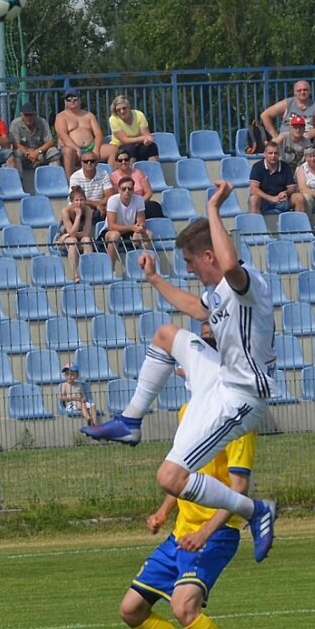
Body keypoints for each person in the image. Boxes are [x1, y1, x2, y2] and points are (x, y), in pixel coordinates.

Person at [80, 180, 277, 563]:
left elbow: (231, 264)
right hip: (219, 377)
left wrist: (214, 210)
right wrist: (155, 280)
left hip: (242, 395)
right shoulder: (219, 293)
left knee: (170, 478)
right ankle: (130, 421)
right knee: (166, 335)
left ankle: (256, 511)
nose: (188, 270)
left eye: (190, 262)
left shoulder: (245, 284)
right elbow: (197, 308)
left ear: (209, 255)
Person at [119, 410, 256, 629]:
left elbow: (239, 490)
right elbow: (182, 473)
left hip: (215, 535)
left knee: (184, 607)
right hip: (182, 535)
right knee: (132, 610)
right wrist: (164, 512)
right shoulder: (189, 410)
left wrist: (205, 532)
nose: (178, 363)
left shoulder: (239, 419)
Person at [54, 87, 116, 178]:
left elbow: (98, 134)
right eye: (69, 99)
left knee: (113, 149)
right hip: (72, 149)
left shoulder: (88, 115)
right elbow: (63, 135)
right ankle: (71, 184)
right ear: (65, 102)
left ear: (80, 100)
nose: (72, 101)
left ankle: (111, 179)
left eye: (75, 98)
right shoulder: (61, 116)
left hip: (90, 148)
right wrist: (76, 148)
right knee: (68, 151)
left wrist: (96, 148)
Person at [103, 176, 154, 269]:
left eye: (130, 188)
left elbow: (141, 220)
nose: (127, 191)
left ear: (133, 189)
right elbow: (111, 226)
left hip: (129, 231)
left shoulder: (138, 199)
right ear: (119, 190)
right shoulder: (113, 200)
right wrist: (132, 227)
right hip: (110, 232)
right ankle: (110, 269)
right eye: (124, 188)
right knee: (115, 235)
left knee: (148, 234)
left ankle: (147, 268)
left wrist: (140, 227)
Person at [248, 141, 301, 213]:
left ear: (279, 154)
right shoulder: (257, 167)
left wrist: (285, 193)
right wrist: (272, 198)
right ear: (265, 154)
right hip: (264, 200)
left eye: (275, 153)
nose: (273, 156)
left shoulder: (285, 166)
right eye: (270, 153)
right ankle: (254, 224)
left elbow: (292, 188)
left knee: (299, 198)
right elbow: (253, 189)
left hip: (282, 200)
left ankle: (298, 223)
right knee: (253, 199)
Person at [8, 102, 61, 176]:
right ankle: (19, 181)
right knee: (15, 154)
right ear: (21, 115)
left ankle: (54, 179)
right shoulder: (15, 124)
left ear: (35, 114)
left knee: (54, 152)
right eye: (26, 115)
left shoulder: (42, 122)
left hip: (40, 153)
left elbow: (50, 141)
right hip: (24, 154)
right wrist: (28, 152)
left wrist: (37, 152)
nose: (29, 118)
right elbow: (15, 143)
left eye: (31, 115)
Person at [56, 186, 95, 283]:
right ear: (72, 201)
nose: (79, 203)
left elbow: (86, 232)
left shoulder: (88, 210)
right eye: (76, 200)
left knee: (86, 240)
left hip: (76, 236)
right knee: (72, 241)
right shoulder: (65, 211)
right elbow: (71, 232)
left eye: (82, 200)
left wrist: (70, 234)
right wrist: (78, 216)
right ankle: (75, 274)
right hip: (64, 239)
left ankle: (88, 272)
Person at [109, 150, 163, 219]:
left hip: (141, 202)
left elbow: (148, 192)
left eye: (126, 159)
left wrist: (139, 203)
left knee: (154, 206)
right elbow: (114, 196)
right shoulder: (113, 177)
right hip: (124, 206)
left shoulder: (138, 173)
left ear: (129, 160)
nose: (124, 162)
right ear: (116, 162)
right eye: (120, 160)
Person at [108, 95, 159, 164]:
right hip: (120, 147)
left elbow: (146, 135)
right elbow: (125, 140)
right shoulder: (113, 119)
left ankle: (153, 170)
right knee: (130, 149)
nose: (122, 111)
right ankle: (130, 173)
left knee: (152, 147)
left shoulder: (139, 115)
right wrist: (143, 138)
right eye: (118, 110)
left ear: (129, 107)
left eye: (124, 108)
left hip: (138, 146)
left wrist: (147, 140)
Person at [68, 151, 115, 223]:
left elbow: (109, 196)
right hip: (81, 205)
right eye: (86, 161)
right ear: (81, 163)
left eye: (92, 161)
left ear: (96, 163)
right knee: (74, 209)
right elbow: (75, 199)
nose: (89, 163)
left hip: (100, 205)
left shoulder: (104, 174)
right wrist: (96, 205)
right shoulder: (75, 177)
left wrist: (98, 205)